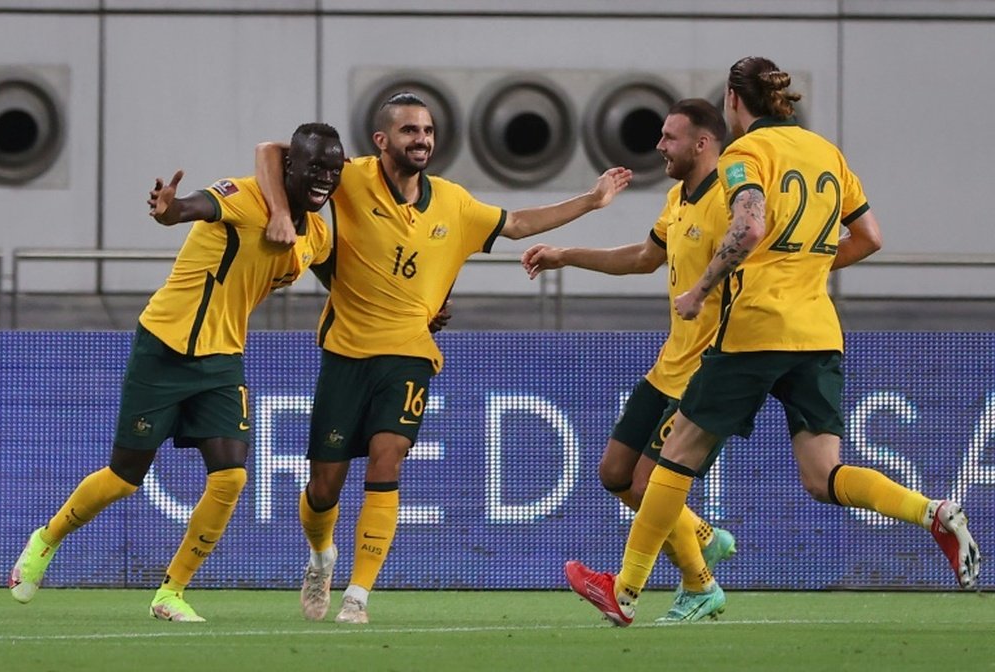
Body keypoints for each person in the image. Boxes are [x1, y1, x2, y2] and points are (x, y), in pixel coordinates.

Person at [564, 56, 980, 627]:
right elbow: (870, 236)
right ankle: (932, 511)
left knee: (674, 457)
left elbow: (750, 225)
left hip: (755, 328)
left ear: (735, 102)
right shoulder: (826, 152)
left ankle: (627, 591)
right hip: (817, 330)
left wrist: (702, 287)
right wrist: (804, 269)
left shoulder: (746, 155)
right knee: (824, 476)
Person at [255, 92, 632, 624]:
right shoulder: (351, 178)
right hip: (346, 353)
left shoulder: (453, 203)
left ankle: (358, 596)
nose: (422, 140)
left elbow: (519, 223)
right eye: (410, 131)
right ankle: (321, 556)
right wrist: (277, 212)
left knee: (388, 461)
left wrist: (591, 201)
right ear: (382, 140)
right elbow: (273, 150)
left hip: (410, 355)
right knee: (323, 488)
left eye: (428, 131)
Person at [9, 123, 346, 622]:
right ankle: (46, 538)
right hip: (164, 346)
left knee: (230, 477)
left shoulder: (315, 234)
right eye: (314, 167)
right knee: (125, 478)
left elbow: (345, 279)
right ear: (289, 166)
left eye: (334, 171)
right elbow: (186, 209)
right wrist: (167, 207)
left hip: (222, 359)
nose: (324, 179)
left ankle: (171, 592)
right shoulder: (243, 196)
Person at [521, 99, 736, 621]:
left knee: (647, 484)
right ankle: (700, 536)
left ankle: (696, 583)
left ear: (702, 143)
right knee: (616, 474)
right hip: (668, 366)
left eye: (670, 137)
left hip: (708, 372)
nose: (660, 146)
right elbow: (645, 258)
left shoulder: (734, 200)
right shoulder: (678, 198)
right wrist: (565, 254)